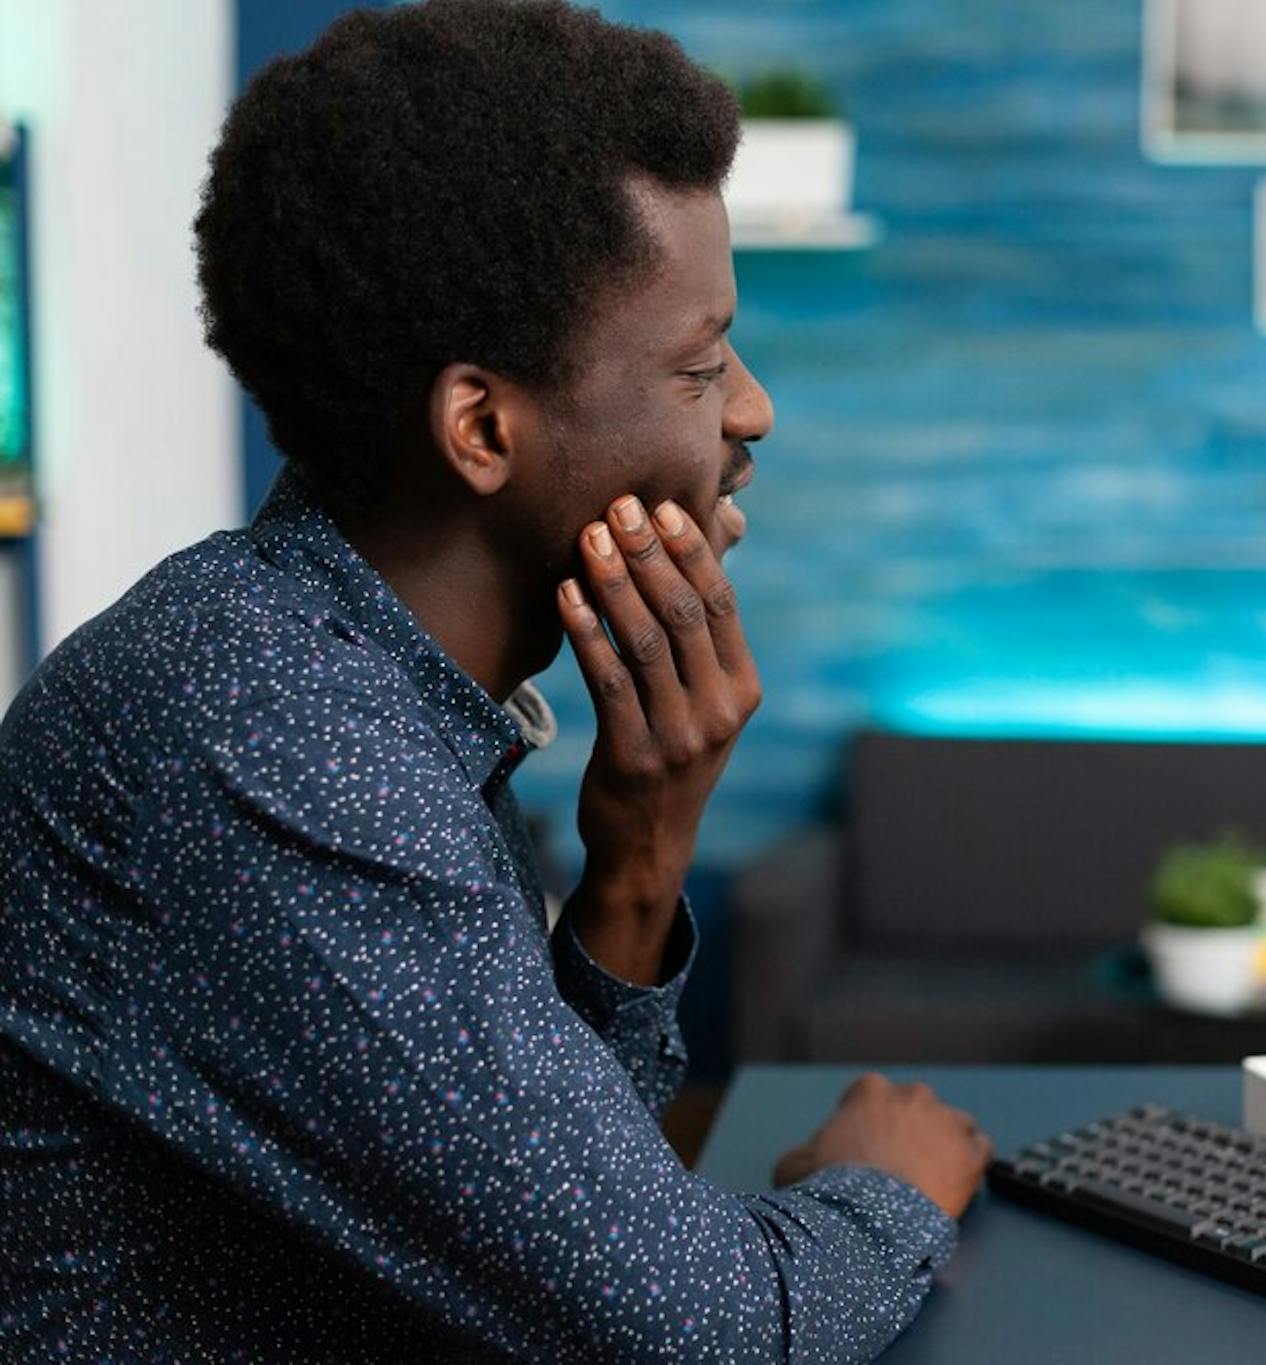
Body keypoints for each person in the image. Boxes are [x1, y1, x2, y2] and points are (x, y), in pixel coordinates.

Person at [0, 4, 989, 1361]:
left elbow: (545, 1216)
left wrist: (639, 863)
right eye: (701, 367)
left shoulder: (362, 681)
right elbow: (694, 1335)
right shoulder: (273, 735)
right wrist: (892, 1185)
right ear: (482, 426)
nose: (753, 410)